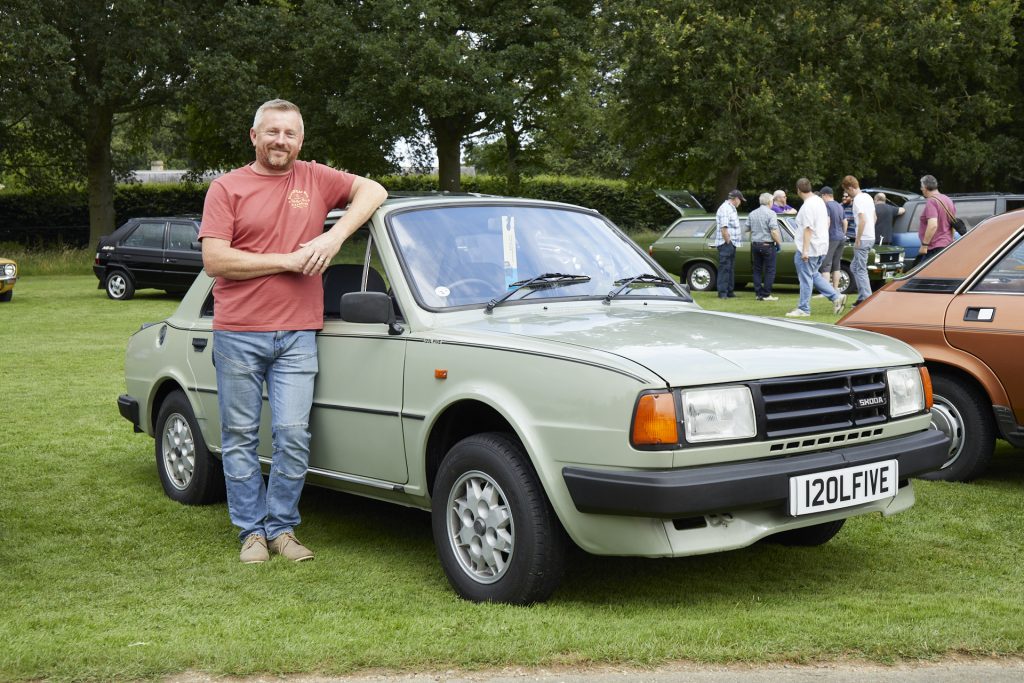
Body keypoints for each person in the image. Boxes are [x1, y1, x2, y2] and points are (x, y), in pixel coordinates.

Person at [199, 99, 388, 564]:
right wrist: (286, 260)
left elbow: (374, 190)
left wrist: (333, 235)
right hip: (239, 332)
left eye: (290, 134)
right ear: (254, 136)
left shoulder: (315, 178)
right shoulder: (227, 188)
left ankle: (282, 529)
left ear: (300, 140)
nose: (281, 141)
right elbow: (215, 260)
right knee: (240, 434)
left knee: (292, 433)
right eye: (272, 132)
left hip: (298, 334)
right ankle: (251, 534)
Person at [786, 178, 846, 317]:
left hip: (810, 248)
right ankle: (836, 296)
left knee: (806, 278)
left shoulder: (807, 206)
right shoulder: (819, 201)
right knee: (813, 275)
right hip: (821, 246)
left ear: (798, 190)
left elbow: (808, 229)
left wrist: (805, 250)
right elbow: (826, 222)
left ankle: (803, 309)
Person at [841, 175, 876, 306]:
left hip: (863, 238)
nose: (847, 194)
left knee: (860, 269)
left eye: (847, 191)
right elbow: (874, 217)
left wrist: (858, 238)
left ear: (850, 188)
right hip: (870, 236)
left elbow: (862, 220)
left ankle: (866, 299)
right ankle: (862, 296)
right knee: (854, 266)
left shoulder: (858, 200)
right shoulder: (868, 197)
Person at [749, 192, 782, 301]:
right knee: (770, 270)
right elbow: (773, 231)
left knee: (757, 270)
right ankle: (766, 294)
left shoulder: (752, 213)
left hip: (755, 244)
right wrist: (778, 243)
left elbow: (746, 228)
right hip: (767, 245)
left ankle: (758, 294)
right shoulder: (771, 213)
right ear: (769, 201)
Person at [918, 174, 956, 262]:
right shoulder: (947, 199)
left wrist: (924, 245)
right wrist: (952, 238)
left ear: (926, 187)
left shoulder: (931, 201)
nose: (921, 189)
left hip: (935, 247)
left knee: (923, 274)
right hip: (947, 244)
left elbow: (933, 225)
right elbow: (953, 222)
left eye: (921, 187)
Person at [714, 189, 744, 298]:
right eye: (740, 200)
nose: (740, 202)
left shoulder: (731, 208)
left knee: (730, 268)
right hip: (726, 243)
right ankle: (722, 293)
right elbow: (724, 228)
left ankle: (729, 291)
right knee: (725, 268)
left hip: (732, 243)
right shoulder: (725, 208)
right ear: (735, 199)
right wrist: (728, 241)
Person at [819, 186, 847, 293]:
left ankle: (826, 292)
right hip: (841, 237)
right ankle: (835, 290)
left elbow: (827, 221)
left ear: (825, 195)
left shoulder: (826, 206)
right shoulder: (840, 206)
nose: (821, 198)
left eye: (822, 196)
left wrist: (824, 235)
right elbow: (845, 222)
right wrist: (843, 234)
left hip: (831, 237)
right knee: (836, 265)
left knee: (826, 264)